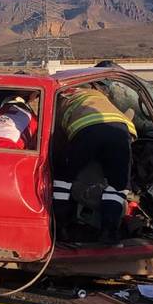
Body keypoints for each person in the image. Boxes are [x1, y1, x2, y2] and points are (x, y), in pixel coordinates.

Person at [54, 86, 137, 244]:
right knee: (117, 186)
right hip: (121, 131)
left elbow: (57, 139)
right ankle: (109, 233)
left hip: (86, 129)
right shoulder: (99, 96)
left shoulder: (62, 100)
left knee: (63, 180)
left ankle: (59, 228)